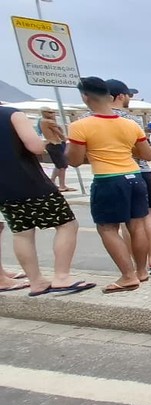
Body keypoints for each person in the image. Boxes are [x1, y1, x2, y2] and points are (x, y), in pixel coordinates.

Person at [65, 77, 151, 293]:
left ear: (85, 97)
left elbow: (75, 160)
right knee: (137, 225)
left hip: (108, 179)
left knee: (107, 228)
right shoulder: (130, 124)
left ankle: (127, 276)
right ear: (109, 96)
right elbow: (146, 154)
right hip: (134, 176)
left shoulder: (80, 126)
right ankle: (142, 271)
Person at [0, 105, 96, 296]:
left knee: (22, 232)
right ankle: (61, 277)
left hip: (4, 189)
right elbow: (34, 146)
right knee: (67, 224)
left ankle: (36, 282)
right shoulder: (11, 114)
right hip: (29, 180)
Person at [105, 79, 151, 273]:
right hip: (137, 171)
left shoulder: (88, 119)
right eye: (128, 95)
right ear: (120, 96)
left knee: (124, 222)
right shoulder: (130, 120)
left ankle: (133, 262)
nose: (130, 98)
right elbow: (144, 153)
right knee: (145, 219)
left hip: (108, 175)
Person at [39, 107, 74, 192]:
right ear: (44, 113)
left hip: (51, 144)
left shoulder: (42, 121)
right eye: (50, 112)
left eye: (53, 112)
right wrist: (67, 140)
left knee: (58, 165)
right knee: (62, 165)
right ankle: (62, 185)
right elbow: (59, 132)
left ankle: (52, 181)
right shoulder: (49, 122)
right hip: (55, 144)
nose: (53, 114)